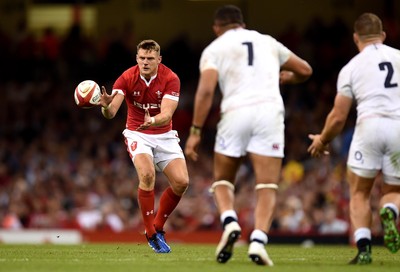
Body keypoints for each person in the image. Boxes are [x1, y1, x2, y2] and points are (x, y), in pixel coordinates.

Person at [184, 5, 312, 266]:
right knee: (267, 185)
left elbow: (206, 92)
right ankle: (258, 241)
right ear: (241, 23)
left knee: (222, 180)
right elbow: (306, 70)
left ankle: (230, 221)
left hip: (236, 112)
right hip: (270, 113)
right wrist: (287, 77)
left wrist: (195, 131)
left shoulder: (214, 49)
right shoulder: (267, 41)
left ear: (216, 28)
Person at [308, 13, 400, 264]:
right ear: (383, 35)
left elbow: (338, 117)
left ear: (355, 38)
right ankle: (390, 211)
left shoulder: (351, 68)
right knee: (394, 190)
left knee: (359, 193)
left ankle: (364, 249)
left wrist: (322, 140)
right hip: (398, 128)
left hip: (369, 127)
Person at [99, 39, 189, 253]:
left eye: (150, 58)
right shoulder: (126, 77)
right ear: (136, 58)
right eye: (142, 58)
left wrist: (154, 120)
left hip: (164, 134)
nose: (145, 62)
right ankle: (150, 233)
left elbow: (167, 113)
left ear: (159, 59)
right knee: (147, 175)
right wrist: (104, 106)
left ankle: (157, 227)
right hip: (137, 133)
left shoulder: (171, 78)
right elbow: (111, 113)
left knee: (182, 182)